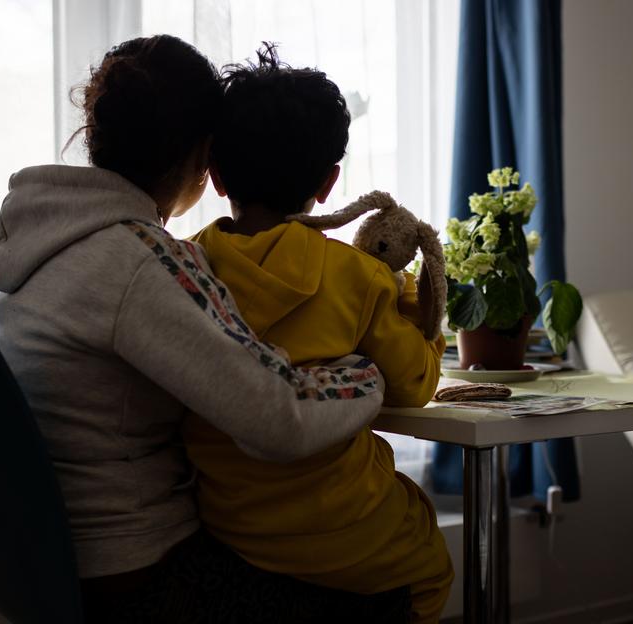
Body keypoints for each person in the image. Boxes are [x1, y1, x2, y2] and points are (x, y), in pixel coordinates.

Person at [0, 35, 407, 622]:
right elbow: (278, 419)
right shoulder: (140, 260)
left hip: (56, 565)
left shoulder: (47, 242)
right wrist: (366, 371)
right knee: (391, 600)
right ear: (200, 155)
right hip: (143, 576)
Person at [185, 44, 453, 624]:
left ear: (217, 173)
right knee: (431, 568)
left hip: (231, 530)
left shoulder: (187, 269)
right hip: (351, 535)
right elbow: (414, 386)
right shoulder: (357, 276)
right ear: (331, 183)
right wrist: (419, 313)